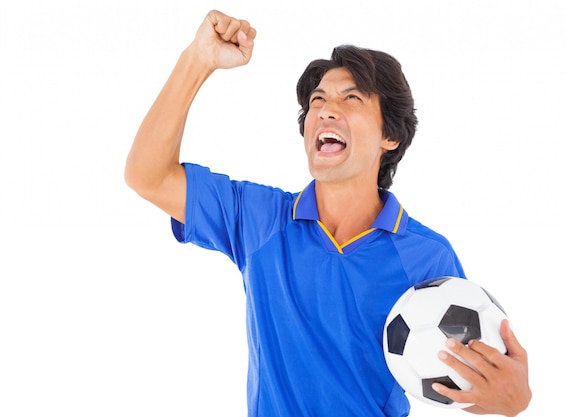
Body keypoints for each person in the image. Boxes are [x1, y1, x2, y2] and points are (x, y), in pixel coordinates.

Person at [125, 9, 531, 417]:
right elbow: (147, 175)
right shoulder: (260, 220)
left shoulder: (428, 257)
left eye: (350, 97)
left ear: (390, 135)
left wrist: (514, 403)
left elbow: (470, 378)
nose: (325, 109)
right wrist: (198, 59)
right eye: (318, 99)